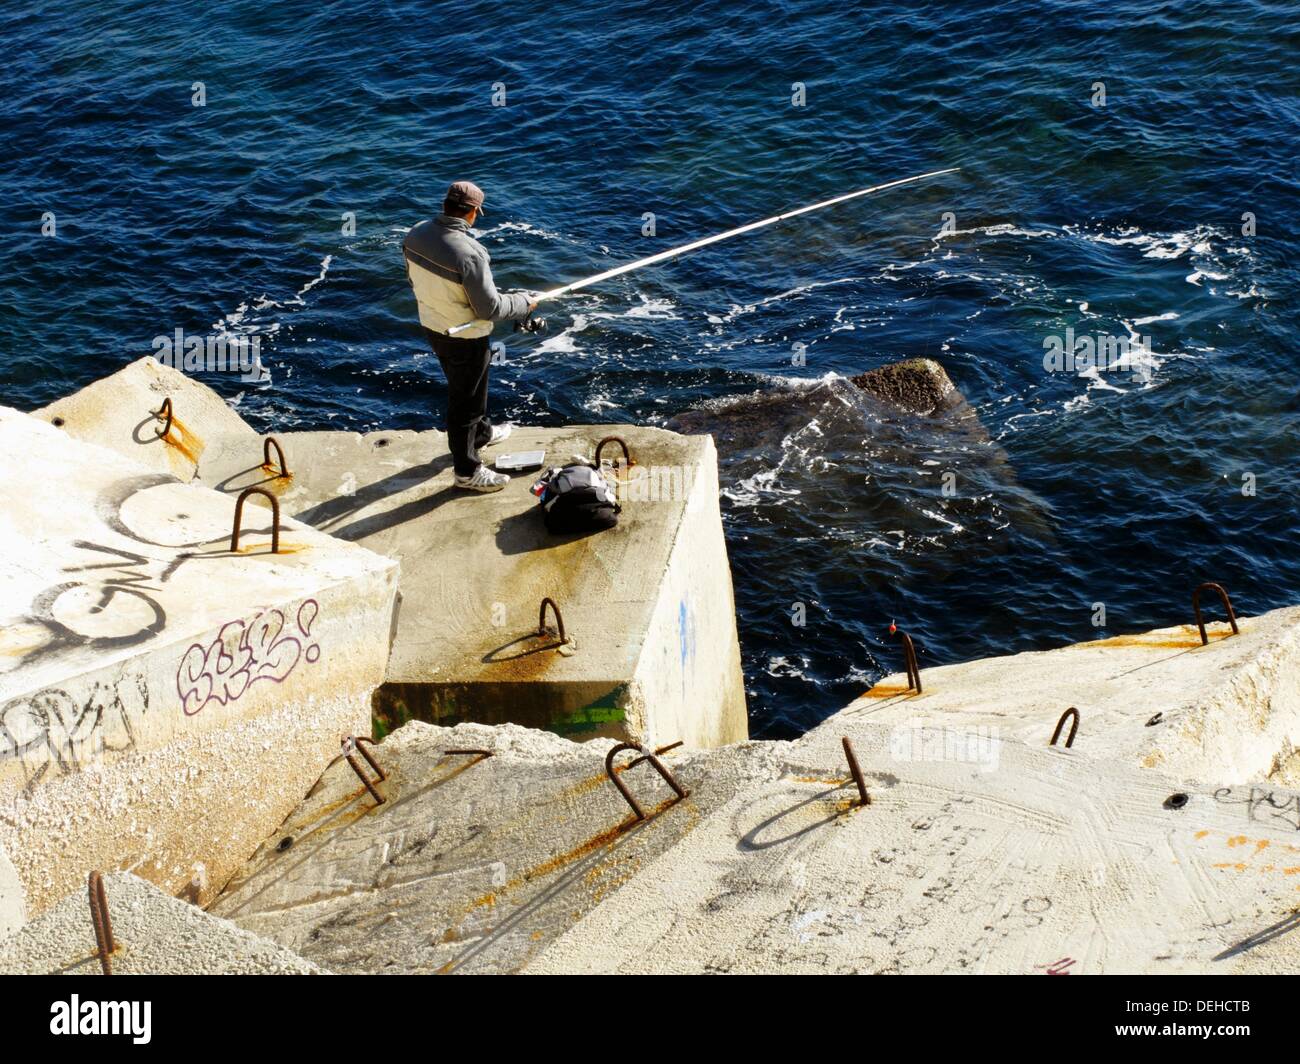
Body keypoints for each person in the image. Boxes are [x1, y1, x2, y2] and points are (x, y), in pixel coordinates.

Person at [402, 180, 537, 492]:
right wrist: (523, 303)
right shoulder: (471, 253)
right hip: (464, 335)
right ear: (473, 212)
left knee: (464, 388)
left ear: (446, 204)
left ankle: (481, 435)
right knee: (466, 403)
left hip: (433, 324)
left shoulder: (416, 232)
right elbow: (488, 309)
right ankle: (466, 470)